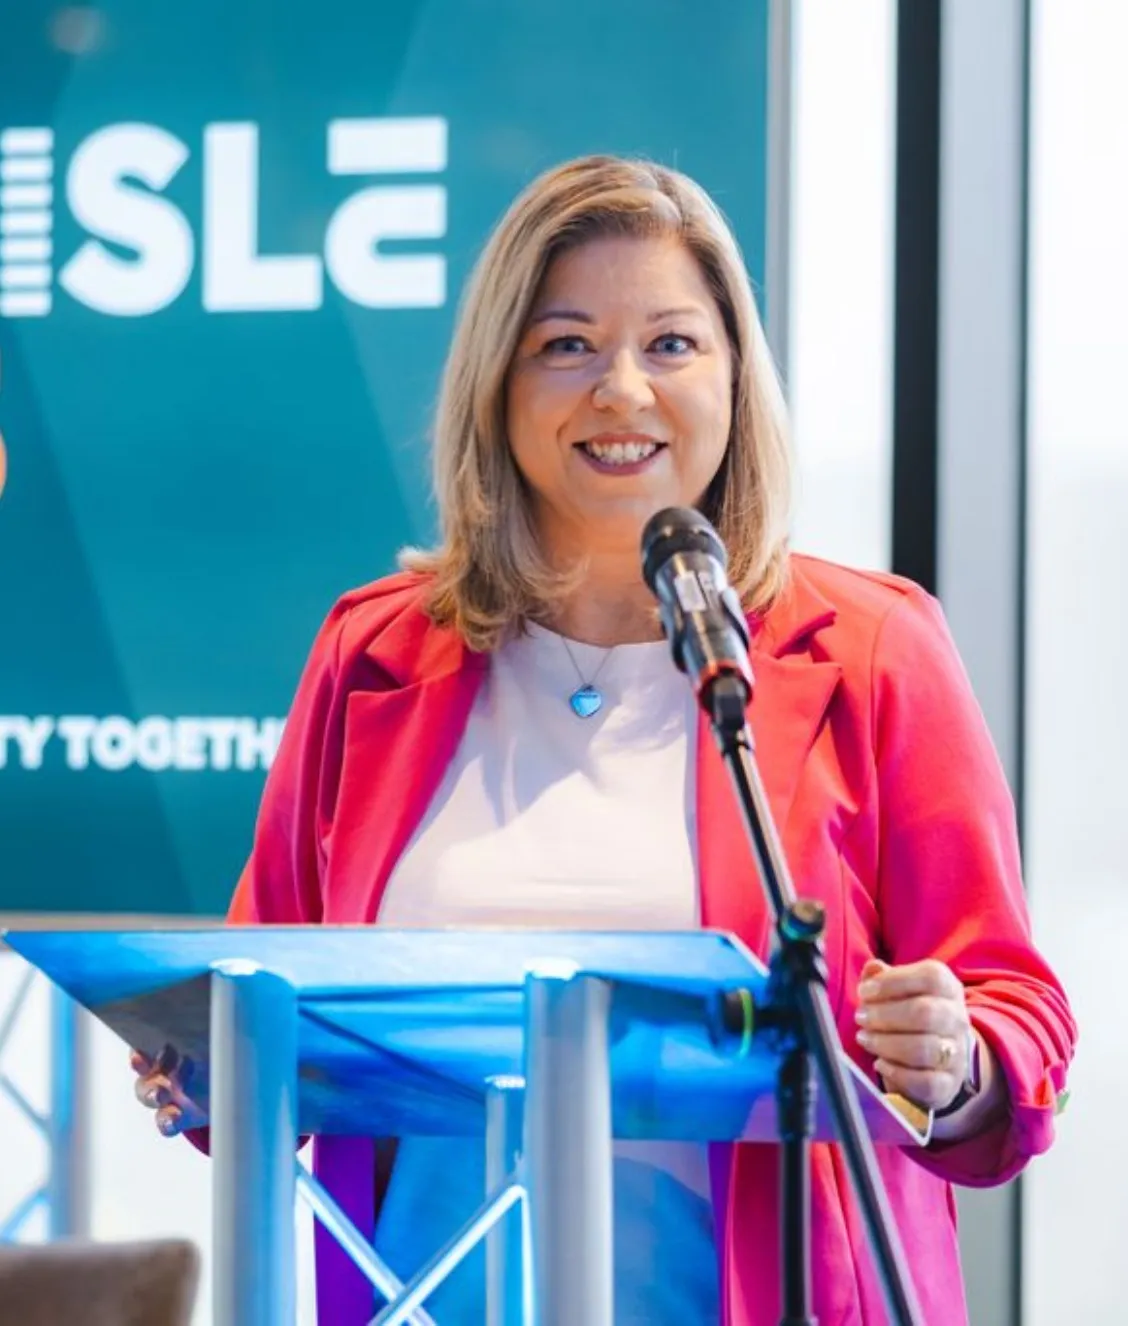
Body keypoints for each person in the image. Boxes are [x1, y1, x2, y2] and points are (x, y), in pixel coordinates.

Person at [131, 155, 1076, 1325]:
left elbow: (1013, 1008)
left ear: (736, 377)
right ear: (499, 385)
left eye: (672, 344)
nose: (623, 390)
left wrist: (959, 1053)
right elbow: (251, 1001)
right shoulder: (370, 653)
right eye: (567, 344)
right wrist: (191, 1060)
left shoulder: (876, 645)